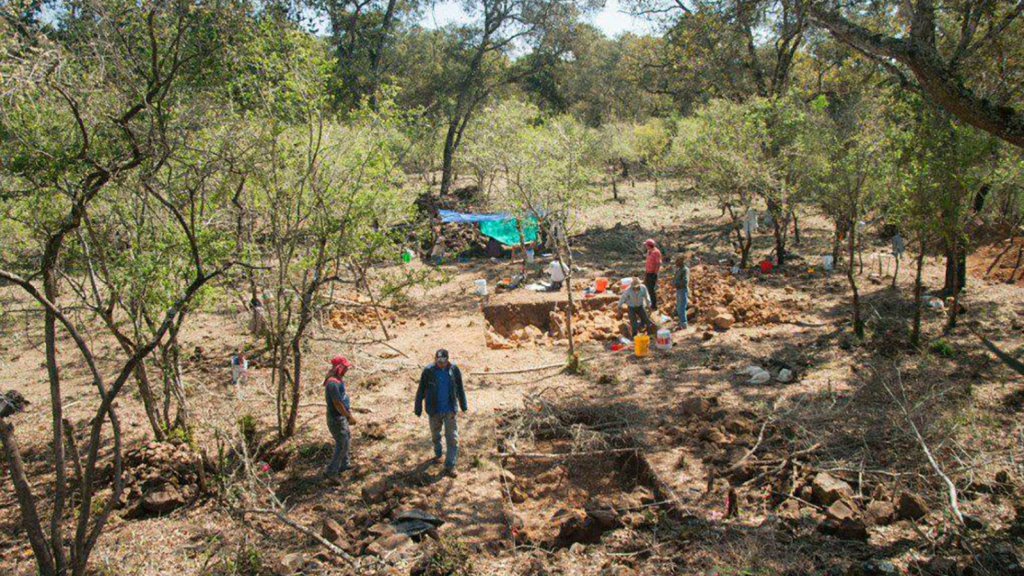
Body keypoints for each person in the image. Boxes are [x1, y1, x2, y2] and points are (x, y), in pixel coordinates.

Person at [415, 349, 467, 477]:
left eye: (444, 360)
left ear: (447, 359)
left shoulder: (454, 370)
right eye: (439, 360)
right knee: (435, 435)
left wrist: (463, 405)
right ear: (435, 359)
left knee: (452, 439)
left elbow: (460, 388)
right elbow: (421, 390)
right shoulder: (428, 371)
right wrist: (418, 408)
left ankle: (449, 466)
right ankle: (438, 454)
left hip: (449, 410)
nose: (441, 363)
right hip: (434, 410)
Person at [324, 356, 356, 481]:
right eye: (346, 367)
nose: (347, 370)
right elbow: (337, 403)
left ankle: (345, 464)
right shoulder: (332, 383)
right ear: (339, 367)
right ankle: (331, 471)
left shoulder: (337, 380)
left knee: (346, 438)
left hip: (341, 416)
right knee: (341, 444)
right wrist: (348, 417)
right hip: (336, 418)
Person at [643, 239, 662, 310]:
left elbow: (658, 263)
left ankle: (654, 305)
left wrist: (655, 273)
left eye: (646, 245)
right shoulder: (649, 252)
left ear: (649, 245)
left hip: (652, 273)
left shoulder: (656, 252)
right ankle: (649, 303)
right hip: (648, 272)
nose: (645, 246)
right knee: (647, 288)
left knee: (651, 289)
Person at [673, 254, 690, 330]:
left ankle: (683, 323)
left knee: (682, 306)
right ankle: (681, 322)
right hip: (679, 289)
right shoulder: (680, 269)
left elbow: (685, 281)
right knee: (679, 306)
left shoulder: (685, 270)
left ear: (681, 261)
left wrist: (676, 283)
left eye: (677, 261)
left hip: (682, 289)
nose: (675, 263)